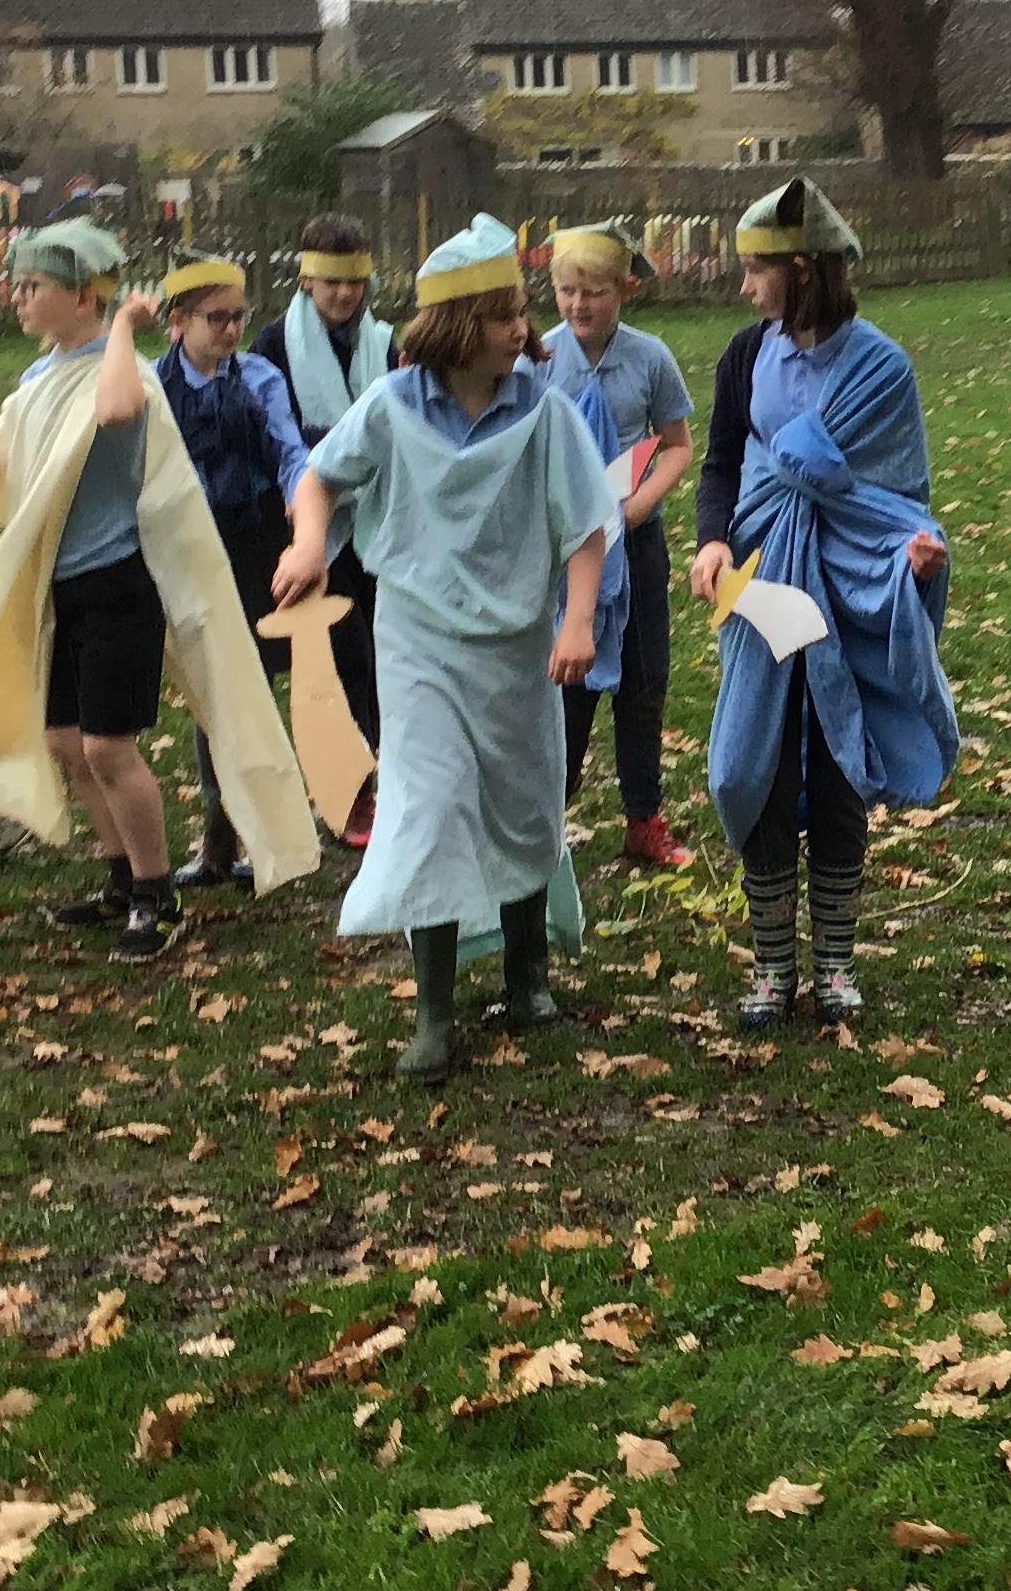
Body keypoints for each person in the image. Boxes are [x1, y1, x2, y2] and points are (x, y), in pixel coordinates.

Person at [0, 219, 321, 961]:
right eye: (18, 286)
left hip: (119, 584)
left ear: (81, 296)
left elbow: (117, 409)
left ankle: (158, 896)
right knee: (67, 743)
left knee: (108, 748)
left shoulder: (126, 375)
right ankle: (122, 879)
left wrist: (124, 326)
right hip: (60, 587)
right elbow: (3, 445)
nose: (17, 298)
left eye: (33, 286)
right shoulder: (39, 378)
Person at [303, 214, 613, 1079]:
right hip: (418, 642)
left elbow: (586, 525)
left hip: (516, 647)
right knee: (431, 810)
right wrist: (306, 545)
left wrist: (577, 620)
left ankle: (527, 974)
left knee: (522, 803)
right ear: (455, 325)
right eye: (503, 313)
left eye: (521, 311)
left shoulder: (544, 415)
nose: (522, 327)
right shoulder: (392, 408)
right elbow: (319, 480)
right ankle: (434, 1013)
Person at [690, 177, 956, 1030]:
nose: (744, 287)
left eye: (756, 270)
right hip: (761, 578)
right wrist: (712, 539)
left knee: (840, 763)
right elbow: (722, 462)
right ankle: (774, 968)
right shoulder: (745, 355)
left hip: (847, 588)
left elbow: (898, 496)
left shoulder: (880, 368)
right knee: (753, 765)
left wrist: (915, 555)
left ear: (801, 269)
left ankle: (834, 966)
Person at [150, 254, 322, 892]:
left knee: (254, 688)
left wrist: (301, 505)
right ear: (178, 321)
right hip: (186, 552)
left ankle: (264, 832)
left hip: (255, 549)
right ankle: (219, 840)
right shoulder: (151, 386)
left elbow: (290, 452)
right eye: (214, 318)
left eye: (237, 317)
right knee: (210, 692)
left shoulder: (259, 379)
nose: (229, 330)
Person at [538, 218, 696, 868]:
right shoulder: (538, 360)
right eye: (567, 291)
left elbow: (677, 445)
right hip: (562, 550)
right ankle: (546, 820)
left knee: (642, 678)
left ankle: (643, 818)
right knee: (566, 684)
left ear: (625, 290)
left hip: (634, 542)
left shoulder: (650, 359)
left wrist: (640, 505)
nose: (579, 305)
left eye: (594, 292)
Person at [253, 215, 392, 839]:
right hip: (307, 525)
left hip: (376, 519)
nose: (343, 294)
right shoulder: (274, 345)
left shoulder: (383, 342)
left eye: (353, 281)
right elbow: (272, 432)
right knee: (336, 663)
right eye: (331, 281)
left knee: (380, 658)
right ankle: (348, 794)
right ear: (306, 279)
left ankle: (383, 781)